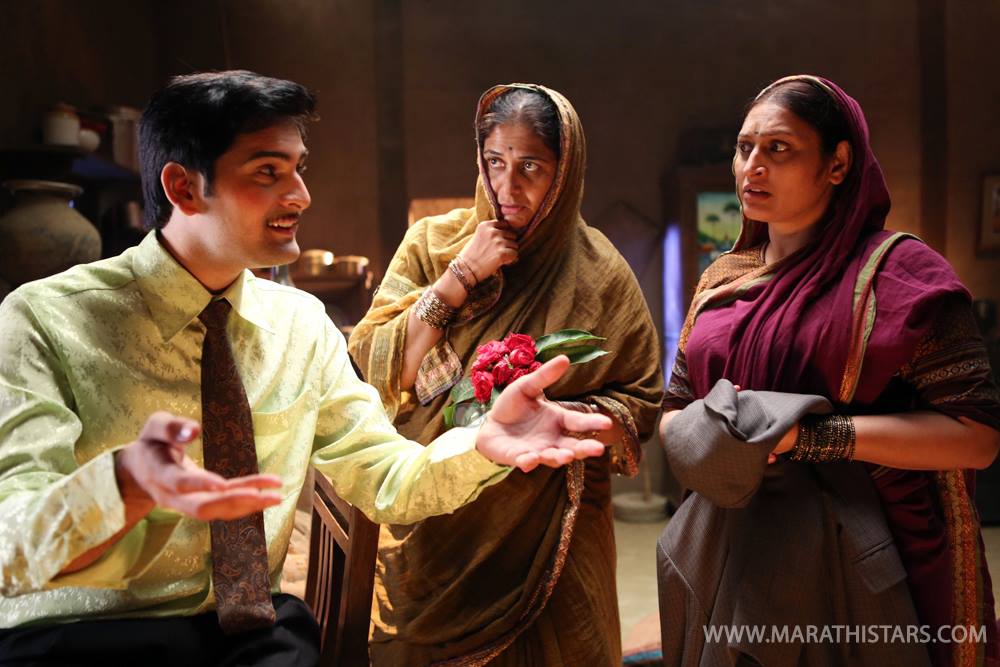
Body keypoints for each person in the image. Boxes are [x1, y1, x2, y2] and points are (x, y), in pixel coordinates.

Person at [0, 71, 613, 666]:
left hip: (246, 632)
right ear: (184, 188)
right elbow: (10, 550)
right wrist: (121, 486)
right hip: (81, 633)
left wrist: (481, 444)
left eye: (298, 168)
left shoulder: (300, 324)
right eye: (268, 172)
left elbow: (383, 476)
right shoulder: (45, 321)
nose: (300, 195)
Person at [658, 74, 1000, 666]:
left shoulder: (900, 276)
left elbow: (977, 438)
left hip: (859, 557)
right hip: (731, 539)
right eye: (744, 148)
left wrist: (809, 437)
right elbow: (675, 408)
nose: (751, 167)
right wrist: (711, 439)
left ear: (838, 164)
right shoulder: (721, 280)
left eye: (778, 148)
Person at [349, 84, 663, 665]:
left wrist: (563, 418)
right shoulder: (433, 243)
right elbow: (376, 367)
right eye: (495, 162)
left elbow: (642, 401)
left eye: (531, 168)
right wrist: (460, 277)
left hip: (553, 528)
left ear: (565, 172)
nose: (508, 188)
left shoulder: (599, 271)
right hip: (437, 517)